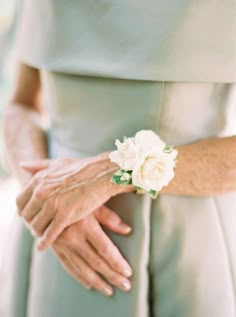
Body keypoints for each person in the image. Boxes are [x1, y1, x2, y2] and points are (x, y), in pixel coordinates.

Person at [1, 1, 236, 316]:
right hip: (58, 240)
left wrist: (115, 171)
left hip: (182, 238)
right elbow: (21, 106)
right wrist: (44, 199)